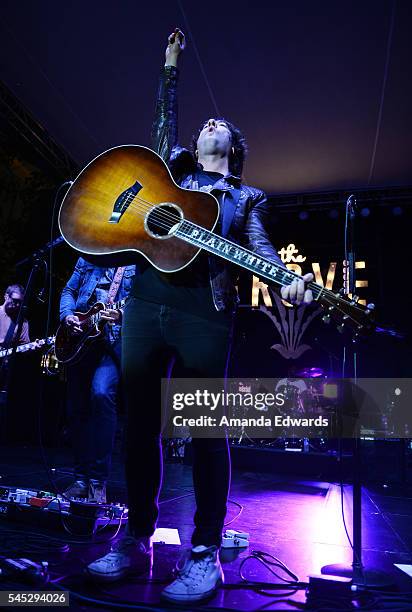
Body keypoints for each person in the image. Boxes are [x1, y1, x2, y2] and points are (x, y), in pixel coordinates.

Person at [87, 29, 313, 601]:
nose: (209, 122)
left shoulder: (247, 196)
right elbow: (162, 127)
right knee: (140, 429)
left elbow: (258, 248)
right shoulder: (172, 175)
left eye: (221, 124)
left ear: (234, 145)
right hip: (146, 304)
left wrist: (288, 281)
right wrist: (169, 67)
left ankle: (205, 551)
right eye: (203, 121)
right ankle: (137, 536)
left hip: (205, 314)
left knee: (205, 431)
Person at [60, 258, 136, 503]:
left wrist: (123, 313)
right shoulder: (88, 256)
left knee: (101, 393)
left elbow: (144, 302)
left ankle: (97, 481)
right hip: (82, 338)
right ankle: (81, 479)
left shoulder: (135, 260)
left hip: (114, 339)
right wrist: (68, 315)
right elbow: (69, 290)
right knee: (77, 408)